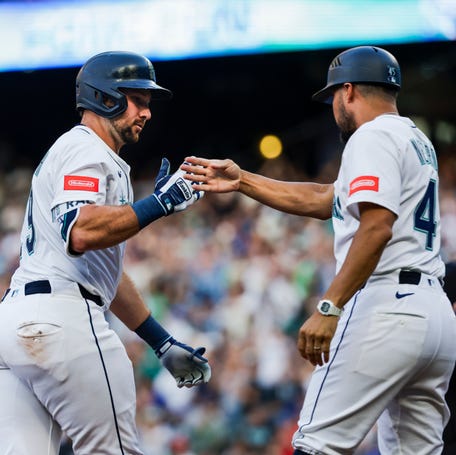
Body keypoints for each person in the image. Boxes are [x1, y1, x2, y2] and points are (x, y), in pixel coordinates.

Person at [181, 46, 456, 454]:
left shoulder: (372, 135)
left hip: (386, 306)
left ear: (348, 92)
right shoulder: (415, 138)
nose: (333, 108)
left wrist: (330, 306)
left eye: (332, 99)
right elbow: (328, 197)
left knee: (316, 445)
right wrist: (244, 181)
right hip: (433, 314)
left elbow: (377, 227)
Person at [0, 51, 211, 455]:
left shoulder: (77, 151)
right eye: (139, 100)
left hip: (18, 322)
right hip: (63, 319)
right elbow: (78, 230)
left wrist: (160, 341)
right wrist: (158, 205)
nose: (147, 112)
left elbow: (103, 276)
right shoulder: (87, 149)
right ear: (105, 97)